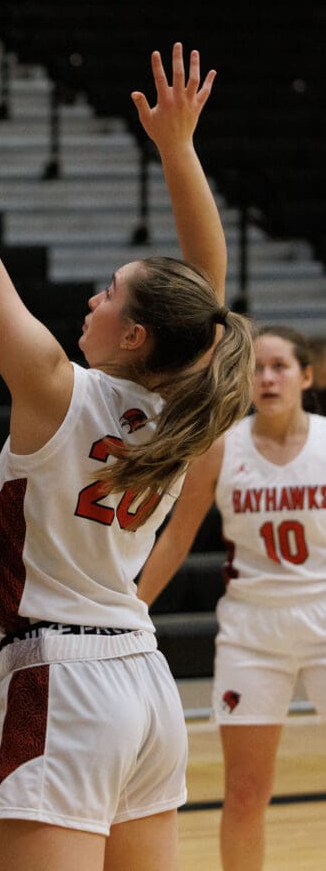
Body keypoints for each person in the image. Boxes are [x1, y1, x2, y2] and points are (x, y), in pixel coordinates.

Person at [0, 9, 256, 871]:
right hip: (146, 684)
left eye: (111, 292)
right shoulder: (187, 408)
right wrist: (177, 150)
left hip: (65, 684)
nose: (93, 296)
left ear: (135, 337)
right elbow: (208, 294)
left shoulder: (55, 391)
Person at [137, 325, 326, 871]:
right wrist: (132, 606)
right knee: (246, 791)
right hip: (252, 628)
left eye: (280, 367)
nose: (266, 378)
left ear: (306, 376)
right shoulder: (222, 446)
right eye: (257, 369)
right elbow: (176, 535)